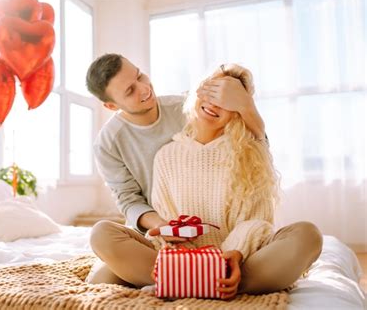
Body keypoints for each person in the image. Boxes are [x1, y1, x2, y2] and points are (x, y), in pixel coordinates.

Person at [85, 54, 270, 292]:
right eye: (130, 90)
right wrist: (166, 227)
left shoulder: (187, 107)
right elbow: (128, 200)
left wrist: (246, 105)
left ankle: (185, 278)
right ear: (111, 106)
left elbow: (250, 144)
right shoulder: (108, 143)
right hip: (162, 233)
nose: (144, 89)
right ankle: (205, 278)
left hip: (217, 226)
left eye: (140, 75)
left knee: (112, 275)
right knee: (100, 255)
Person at [147, 63, 322, 298]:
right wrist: (191, 258)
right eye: (212, 92)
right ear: (198, 93)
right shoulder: (165, 156)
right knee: (104, 234)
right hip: (182, 260)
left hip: (243, 261)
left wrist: (232, 256)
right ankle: (202, 280)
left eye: (227, 101)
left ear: (239, 111)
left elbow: (258, 220)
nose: (214, 104)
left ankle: (197, 283)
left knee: (308, 235)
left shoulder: (250, 154)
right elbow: (168, 219)